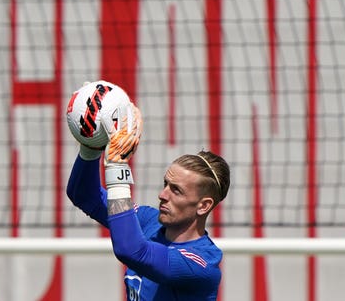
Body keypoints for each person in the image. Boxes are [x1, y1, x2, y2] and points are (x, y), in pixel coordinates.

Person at [66, 102, 230, 301]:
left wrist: (117, 166)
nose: (163, 194)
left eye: (176, 190)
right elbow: (84, 195)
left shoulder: (201, 264)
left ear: (203, 205)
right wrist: (91, 145)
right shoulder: (149, 221)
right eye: (166, 184)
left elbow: (132, 251)